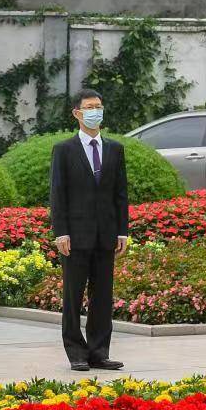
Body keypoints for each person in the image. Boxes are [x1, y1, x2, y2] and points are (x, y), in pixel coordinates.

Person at [48, 90, 128, 373]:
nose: (96, 111)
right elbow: (58, 194)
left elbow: (120, 194)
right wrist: (61, 232)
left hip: (105, 235)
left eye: (99, 106)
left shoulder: (115, 149)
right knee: (73, 296)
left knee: (102, 296)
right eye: (90, 107)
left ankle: (99, 351)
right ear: (77, 114)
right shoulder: (64, 150)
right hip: (75, 237)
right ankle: (76, 352)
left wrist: (122, 231)